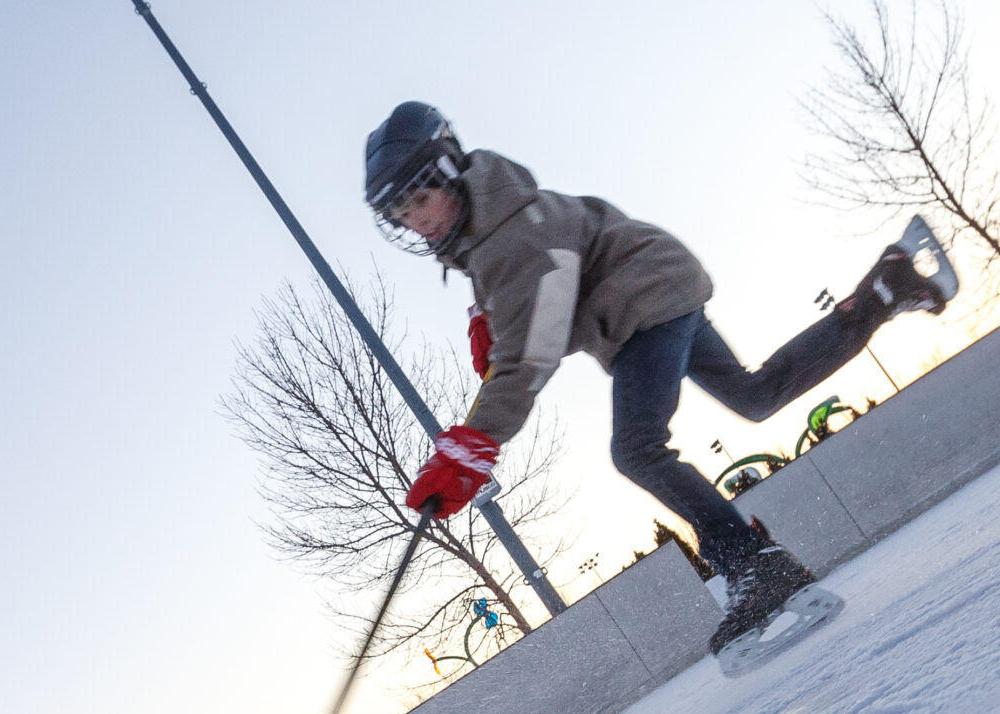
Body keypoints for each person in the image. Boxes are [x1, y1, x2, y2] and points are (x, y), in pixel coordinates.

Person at [364, 102, 951, 654]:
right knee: (756, 396)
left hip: (645, 304)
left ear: (449, 171)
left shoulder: (509, 233)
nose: (418, 222)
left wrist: (472, 448)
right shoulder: (494, 224)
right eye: (403, 215)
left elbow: (531, 355)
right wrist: (492, 317)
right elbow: (556, 291)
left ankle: (753, 563)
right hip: (657, 287)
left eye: (420, 201)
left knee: (637, 449)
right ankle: (884, 291)